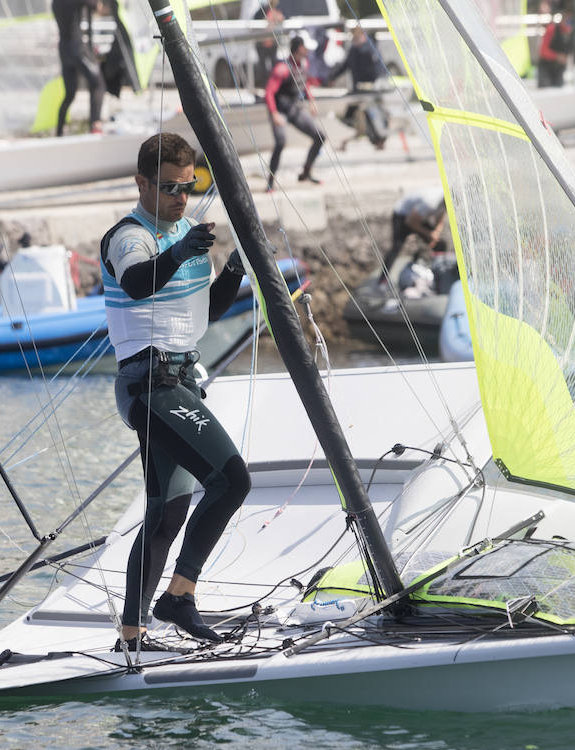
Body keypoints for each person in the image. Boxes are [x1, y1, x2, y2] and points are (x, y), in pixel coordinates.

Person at [100, 132, 252, 651]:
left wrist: (235, 269)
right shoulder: (130, 237)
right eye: (169, 188)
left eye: (190, 187)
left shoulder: (187, 231)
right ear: (141, 183)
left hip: (181, 382)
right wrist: (180, 249)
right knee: (233, 481)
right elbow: (139, 283)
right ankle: (179, 597)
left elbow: (206, 310)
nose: (181, 198)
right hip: (150, 386)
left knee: (167, 512)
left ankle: (133, 633)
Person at [264, 35, 324, 191]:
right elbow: (269, 93)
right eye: (306, 47)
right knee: (280, 142)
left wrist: (311, 101)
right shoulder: (282, 69)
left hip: (293, 109)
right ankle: (270, 183)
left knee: (319, 136)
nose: (308, 50)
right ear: (299, 49)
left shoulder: (304, 63)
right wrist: (274, 114)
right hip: (279, 110)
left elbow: (305, 83)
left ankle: (306, 172)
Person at [326, 27, 389, 150]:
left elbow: (379, 70)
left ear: (362, 36)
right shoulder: (355, 50)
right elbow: (345, 65)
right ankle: (344, 142)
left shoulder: (369, 49)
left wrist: (377, 85)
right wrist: (332, 77)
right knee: (350, 115)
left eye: (356, 37)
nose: (354, 40)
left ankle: (379, 141)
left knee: (373, 116)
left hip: (369, 90)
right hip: (358, 90)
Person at [52, 0, 104, 136]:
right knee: (98, 84)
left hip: (64, 49)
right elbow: (98, 7)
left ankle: (59, 132)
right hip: (77, 48)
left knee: (70, 93)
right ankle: (95, 125)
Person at [381, 187, 447, 282]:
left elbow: (441, 217)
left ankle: (437, 275)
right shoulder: (430, 203)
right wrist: (428, 234)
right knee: (397, 247)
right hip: (402, 215)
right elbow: (410, 222)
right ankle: (382, 280)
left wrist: (435, 234)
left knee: (439, 244)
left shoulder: (445, 201)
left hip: (416, 217)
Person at [536, 1, 573, 89]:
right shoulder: (551, 29)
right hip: (546, 67)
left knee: (559, 88)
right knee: (545, 88)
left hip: (559, 69)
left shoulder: (571, 34)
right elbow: (542, 51)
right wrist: (557, 56)